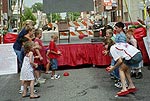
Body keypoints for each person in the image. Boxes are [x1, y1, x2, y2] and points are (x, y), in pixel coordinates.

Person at [137, 5, 150, 70]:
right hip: (148, 36)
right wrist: (140, 21)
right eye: (148, 11)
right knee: (148, 50)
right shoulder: (147, 17)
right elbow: (145, 24)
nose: (149, 12)